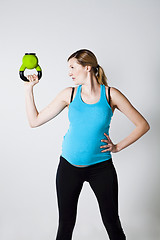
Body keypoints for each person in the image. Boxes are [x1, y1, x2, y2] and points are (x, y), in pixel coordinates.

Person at [24, 49, 150, 240]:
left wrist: (117, 146)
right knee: (65, 225)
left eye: (73, 67)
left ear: (88, 67)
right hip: (68, 167)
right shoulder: (69, 94)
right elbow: (34, 121)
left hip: (101, 168)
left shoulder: (110, 94)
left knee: (112, 223)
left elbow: (143, 125)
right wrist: (28, 89)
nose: (69, 72)